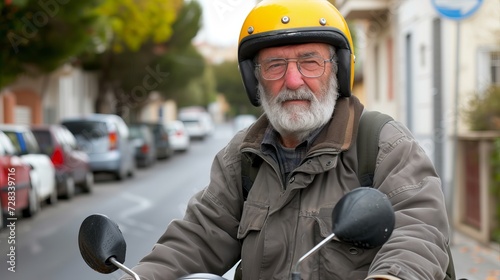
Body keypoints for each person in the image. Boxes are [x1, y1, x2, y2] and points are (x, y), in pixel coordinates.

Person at [121, 0, 451, 279]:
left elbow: (419, 231)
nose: (293, 80)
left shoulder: (382, 144)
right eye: (275, 65)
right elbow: (198, 238)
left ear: (338, 70)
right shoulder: (242, 158)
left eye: (310, 62)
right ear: (255, 81)